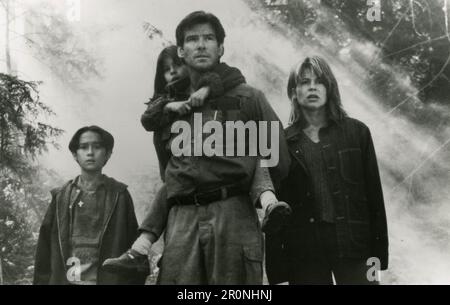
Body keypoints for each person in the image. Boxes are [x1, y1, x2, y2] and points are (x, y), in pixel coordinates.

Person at [102, 42, 290, 275]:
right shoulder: (164, 113)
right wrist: (172, 107)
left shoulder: (230, 96)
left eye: (177, 66)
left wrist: (204, 91)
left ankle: (270, 203)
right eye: (165, 68)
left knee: (254, 155)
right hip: (185, 195)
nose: (172, 72)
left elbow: (229, 77)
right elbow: (162, 157)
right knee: (171, 181)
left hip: (233, 187)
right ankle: (140, 249)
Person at [265, 56, 389, 285]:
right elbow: (277, 214)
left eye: (319, 81)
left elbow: (374, 198)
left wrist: (378, 257)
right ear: (293, 92)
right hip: (305, 253)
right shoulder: (282, 141)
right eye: (303, 82)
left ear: (330, 87)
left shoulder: (357, 133)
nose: (312, 87)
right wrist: (278, 272)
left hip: (354, 246)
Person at [33, 126, 145, 285]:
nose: (90, 152)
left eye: (97, 147)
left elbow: (133, 250)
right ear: (75, 155)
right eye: (84, 147)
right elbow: (44, 255)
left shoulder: (119, 195)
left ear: (107, 154)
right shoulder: (60, 197)